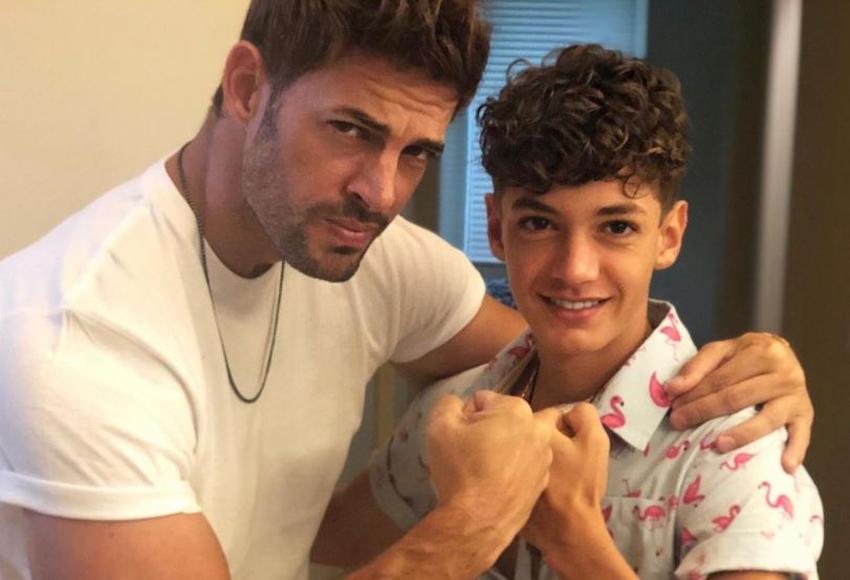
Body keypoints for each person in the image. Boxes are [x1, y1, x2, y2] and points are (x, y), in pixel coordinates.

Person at [0, 2, 811, 579]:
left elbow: (562, 348)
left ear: (669, 232)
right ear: (247, 87)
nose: (381, 194)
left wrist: (760, 366)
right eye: (350, 129)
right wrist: (478, 518)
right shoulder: (74, 339)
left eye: (417, 151)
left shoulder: (376, 262)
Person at [317, 45, 824, 578]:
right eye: (539, 224)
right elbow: (315, 539)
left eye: (617, 227)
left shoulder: (735, 454)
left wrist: (574, 540)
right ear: (497, 229)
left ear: (669, 236)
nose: (575, 269)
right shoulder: (450, 418)